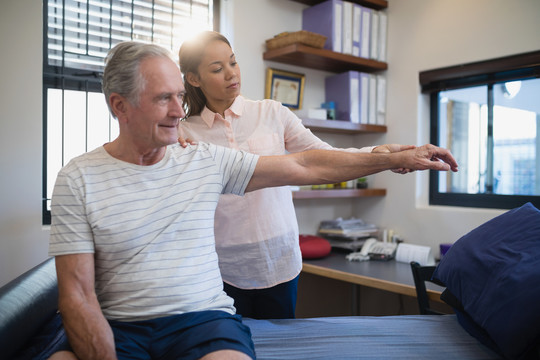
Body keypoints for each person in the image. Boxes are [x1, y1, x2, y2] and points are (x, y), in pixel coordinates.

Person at [48, 40, 457, 360]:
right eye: (162, 99)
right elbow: (78, 295)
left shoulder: (209, 156)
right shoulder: (82, 176)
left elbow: (308, 164)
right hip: (135, 318)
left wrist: (391, 157)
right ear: (119, 105)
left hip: (212, 313)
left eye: (177, 97)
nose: (177, 111)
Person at [178, 31, 412, 319]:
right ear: (193, 79)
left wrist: (382, 156)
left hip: (280, 260)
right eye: (217, 69)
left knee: (281, 347)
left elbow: (325, 158)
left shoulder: (271, 113)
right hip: (222, 268)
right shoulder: (185, 133)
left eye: (233, 62)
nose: (231, 74)